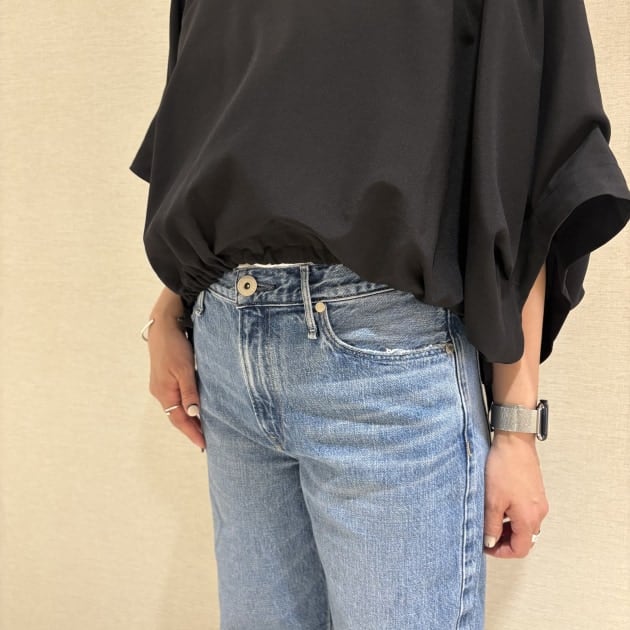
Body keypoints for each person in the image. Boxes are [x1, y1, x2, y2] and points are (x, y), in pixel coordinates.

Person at [131, 2, 630, 628]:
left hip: (384, 358)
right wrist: (172, 305)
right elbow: (213, 120)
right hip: (226, 344)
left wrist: (515, 426)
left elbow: (531, 151)